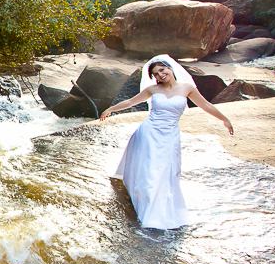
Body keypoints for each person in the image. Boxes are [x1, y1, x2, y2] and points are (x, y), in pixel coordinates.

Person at [100, 54, 234, 229]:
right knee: (149, 170)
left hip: (169, 136)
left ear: (170, 68)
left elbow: (206, 105)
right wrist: (111, 109)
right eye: (155, 74)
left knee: (166, 171)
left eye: (162, 70)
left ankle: (163, 207)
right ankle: (148, 207)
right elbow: (131, 101)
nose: (160, 75)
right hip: (148, 133)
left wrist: (224, 119)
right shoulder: (153, 90)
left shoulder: (187, 88)